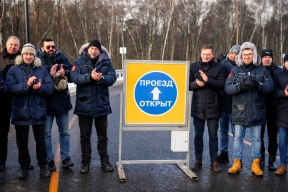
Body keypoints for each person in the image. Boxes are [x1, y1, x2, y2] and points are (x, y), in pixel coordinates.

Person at [225, 42, 274, 176]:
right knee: (237, 138)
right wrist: (240, 86)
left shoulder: (262, 70)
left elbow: (270, 87)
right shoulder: (235, 71)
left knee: (256, 139)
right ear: (241, 55)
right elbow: (228, 88)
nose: (247, 57)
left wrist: (258, 85)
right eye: (245, 54)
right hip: (239, 110)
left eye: (250, 54)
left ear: (254, 55)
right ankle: (237, 162)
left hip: (257, 110)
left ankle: (256, 163)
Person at [6, 43, 54, 179]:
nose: (28, 56)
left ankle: (43, 167)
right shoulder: (13, 70)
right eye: (26, 54)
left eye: (31, 54)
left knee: (41, 142)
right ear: (22, 56)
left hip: (38, 110)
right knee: (22, 143)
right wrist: (26, 85)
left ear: (34, 56)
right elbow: (10, 88)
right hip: (20, 111)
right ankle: (24, 167)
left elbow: (50, 87)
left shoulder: (42, 70)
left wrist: (40, 87)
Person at [71, 39, 116, 173]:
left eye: (96, 49)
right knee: (85, 137)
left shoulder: (106, 62)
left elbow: (112, 78)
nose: (94, 51)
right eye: (92, 48)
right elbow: (74, 77)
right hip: (84, 106)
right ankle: (85, 163)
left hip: (101, 105)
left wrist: (102, 79)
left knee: (103, 136)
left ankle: (105, 161)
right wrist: (89, 77)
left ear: (99, 51)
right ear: (87, 49)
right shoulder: (79, 62)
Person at [37, 38, 74, 171]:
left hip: (62, 101)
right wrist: (50, 73)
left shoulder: (62, 57)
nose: (51, 49)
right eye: (48, 47)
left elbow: (73, 73)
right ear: (42, 48)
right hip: (45, 103)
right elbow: (35, 75)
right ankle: (49, 159)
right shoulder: (37, 59)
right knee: (46, 134)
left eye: (53, 46)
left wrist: (67, 73)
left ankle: (65, 158)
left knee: (65, 132)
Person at [189, 44, 226, 172]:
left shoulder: (219, 68)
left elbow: (222, 85)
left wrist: (207, 80)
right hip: (197, 107)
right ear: (201, 54)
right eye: (204, 54)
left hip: (214, 107)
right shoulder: (193, 67)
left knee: (213, 136)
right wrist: (195, 84)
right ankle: (198, 161)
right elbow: (186, 84)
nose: (205, 56)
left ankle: (214, 162)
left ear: (213, 55)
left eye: (208, 54)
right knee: (198, 135)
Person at [215, 45, 240, 163]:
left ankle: (237, 156)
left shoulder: (239, 67)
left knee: (236, 133)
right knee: (223, 131)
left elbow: (234, 72)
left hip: (235, 106)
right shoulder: (223, 65)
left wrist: (223, 61)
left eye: (236, 54)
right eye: (232, 53)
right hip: (222, 104)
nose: (233, 55)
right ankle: (224, 152)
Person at [0, 36, 21, 171]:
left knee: (22, 132)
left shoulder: (23, 58)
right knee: (2, 132)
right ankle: (2, 160)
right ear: (6, 45)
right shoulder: (0, 58)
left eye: (16, 45)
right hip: (3, 100)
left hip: (19, 99)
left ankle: (24, 161)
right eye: (11, 44)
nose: (13, 47)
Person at [259, 49, 282, 169]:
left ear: (272, 58)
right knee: (259, 136)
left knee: (273, 136)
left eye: (269, 57)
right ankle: (261, 159)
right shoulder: (258, 70)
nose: (267, 58)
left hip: (274, 108)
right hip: (260, 107)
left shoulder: (278, 71)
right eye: (265, 57)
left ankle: (272, 160)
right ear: (261, 58)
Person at [274, 53, 288, 175]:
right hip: (283, 113)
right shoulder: (278, 75)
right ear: (284, 62)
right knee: (283, 140)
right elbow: (274, 91)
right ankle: (283, 165)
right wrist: (284, 93)